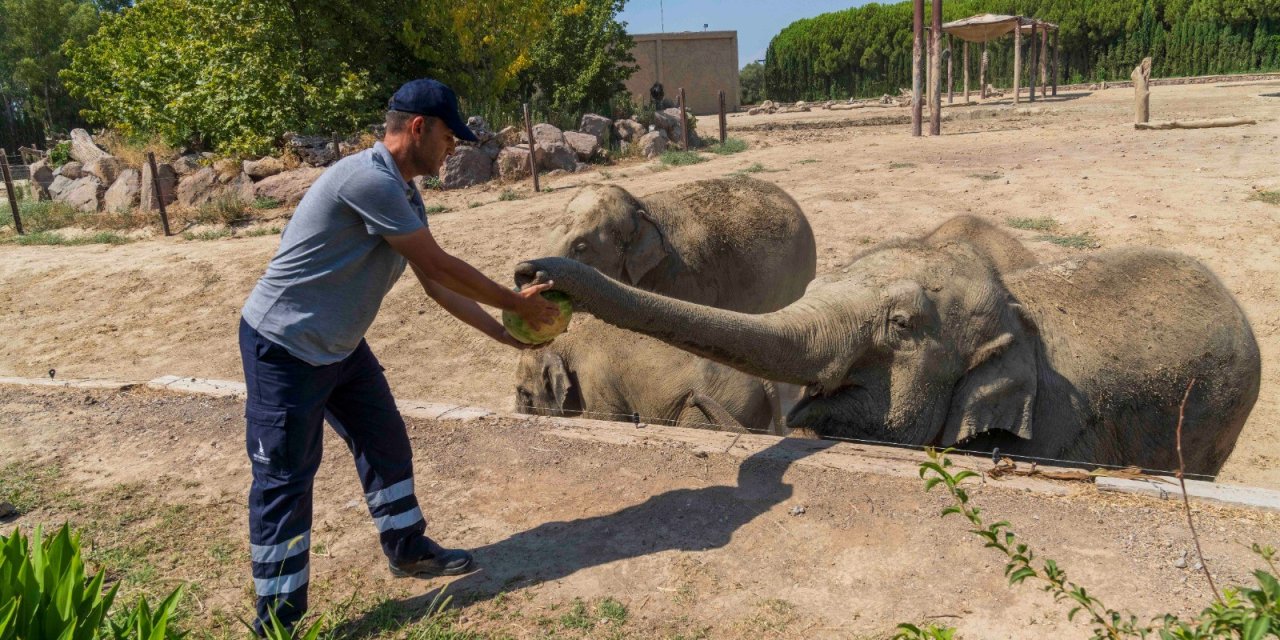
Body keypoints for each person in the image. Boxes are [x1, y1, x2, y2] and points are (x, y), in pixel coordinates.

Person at [237, 78, 559, 633]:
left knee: (385, 441)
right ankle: (278, 623)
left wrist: (506, 334)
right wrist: (515, 303)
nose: (453, 148)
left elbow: (436, 286)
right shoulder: (369, 180)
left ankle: (407, 549)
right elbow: (439, 267)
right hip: (285, 347)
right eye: (449, 137)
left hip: (339, 345)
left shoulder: (405, 193)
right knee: (285, 480)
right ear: (418, 128)